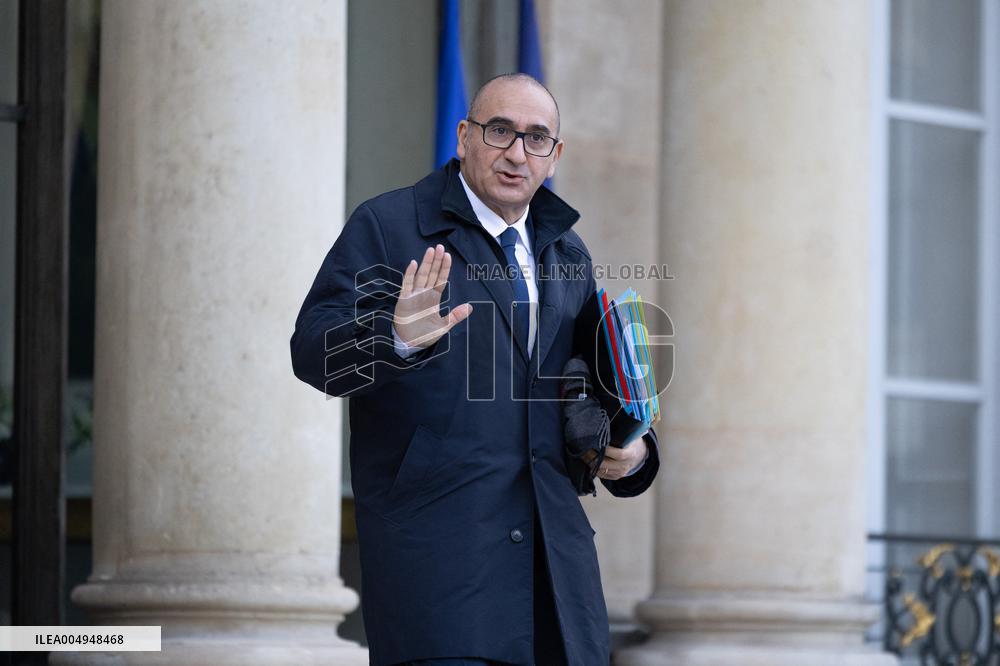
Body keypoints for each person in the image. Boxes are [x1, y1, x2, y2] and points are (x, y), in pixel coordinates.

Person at [290, 73, 660, 666]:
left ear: (554, 155)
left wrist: (633, 451)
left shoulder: (568, 254)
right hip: (440, 580)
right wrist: (394, 338)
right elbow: (312, 354)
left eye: (536, 138)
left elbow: (606, 384)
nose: (517, 152)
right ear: (464, 137)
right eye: (500, 131)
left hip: (555, 584)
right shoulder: (389, 228)